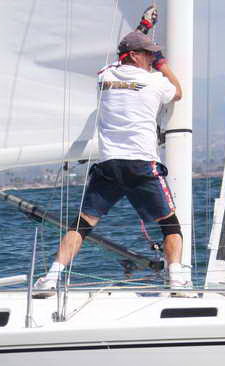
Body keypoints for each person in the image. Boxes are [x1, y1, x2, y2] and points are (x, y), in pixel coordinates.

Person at [35, 18, 187, 292]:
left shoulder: (104, 77)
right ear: (135, 56)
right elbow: (178, 92)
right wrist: (163, 64)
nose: (152, 59)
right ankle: (177, 279)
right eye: (149, 54)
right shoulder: (155, 81)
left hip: (109, 166)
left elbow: (122, 55)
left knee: (81, 225)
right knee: (171, 226)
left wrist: (142, 29)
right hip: (142, 164)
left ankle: (51, 278)